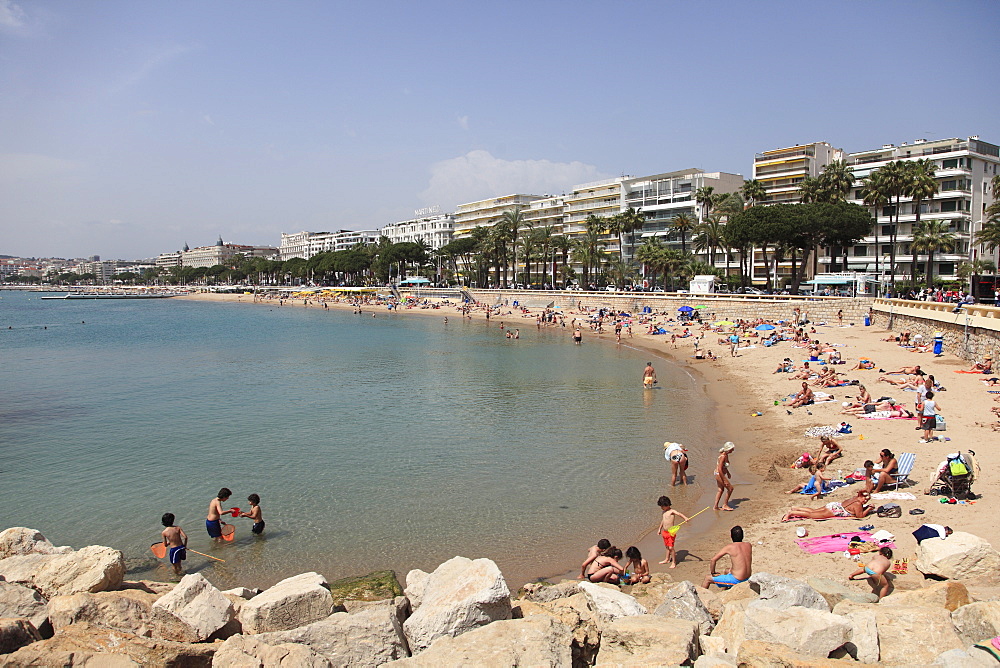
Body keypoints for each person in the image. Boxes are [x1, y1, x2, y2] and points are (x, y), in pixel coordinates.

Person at [781, 489, 873, 521]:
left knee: (814, 511)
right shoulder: (858, 504)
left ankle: (796, 508)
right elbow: (860, 516)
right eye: (865, 499)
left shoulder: (855, 498)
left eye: (867, 500)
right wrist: (868, 509)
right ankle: (791, 513)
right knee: (812, 515)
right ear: (861, 496)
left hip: (834, 505)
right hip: (835, 510)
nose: (865, 501)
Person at [657, 495, 689, 567]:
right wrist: (659, 529)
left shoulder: (672, 511)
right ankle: (667, 559)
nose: (661, 508)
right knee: (667, 546)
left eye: (662, 506)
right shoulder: (663, 512)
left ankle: (674, 562)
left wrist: (685, 518)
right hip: (664, 532)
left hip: (671, 532)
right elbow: (663, 521)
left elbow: (679, 514)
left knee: (671, 547)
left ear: (667, 505)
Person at [714, 442, 735, 511]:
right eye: (732, 449)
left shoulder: (726, 455)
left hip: (719, 474)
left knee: (720, 490)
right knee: (730, 488)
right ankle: (725, 505)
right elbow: (720, 468)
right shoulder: (723, 456)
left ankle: (716, 506)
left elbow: (724, 466)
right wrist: (724, 479)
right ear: (728, 449)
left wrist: (728, 473)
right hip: (719, 474)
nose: (733, 450)